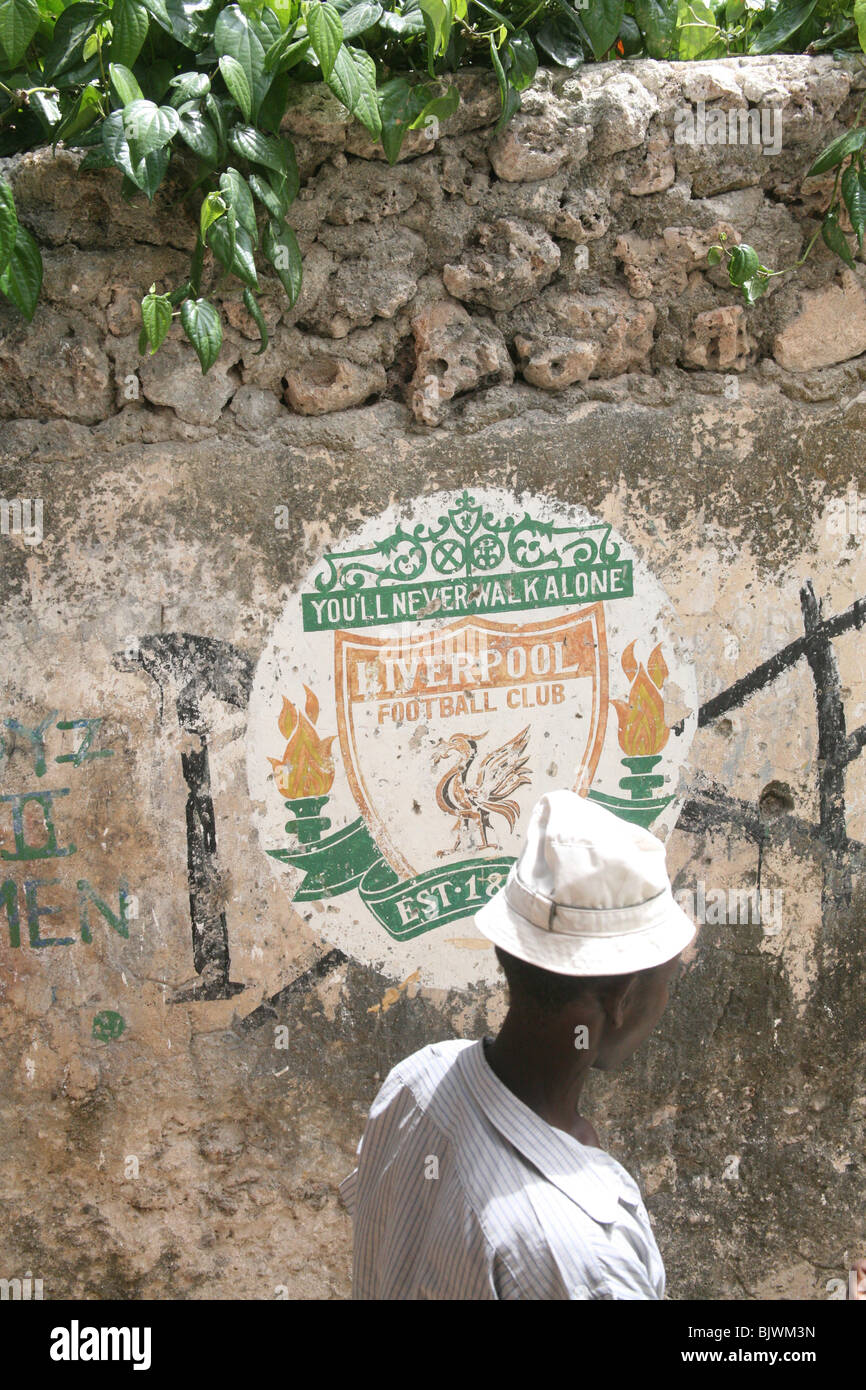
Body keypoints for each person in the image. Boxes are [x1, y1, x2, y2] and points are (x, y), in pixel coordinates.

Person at [339, 788, 697, 1300]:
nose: (666, 1000)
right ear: (622, 997)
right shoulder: (583, 1257)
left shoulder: (417, 1082)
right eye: (669, 977)